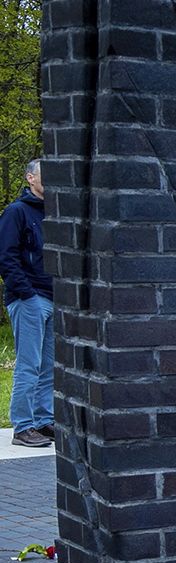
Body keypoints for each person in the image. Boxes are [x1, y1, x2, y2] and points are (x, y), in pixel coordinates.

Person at [0, 158, 51, 447]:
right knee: (29, 365)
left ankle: (43, 422)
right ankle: (22, 427)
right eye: (45, 175)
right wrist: (27, 294)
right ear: (30, 178)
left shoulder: (54, 213)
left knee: (48, 367)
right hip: (29, 299)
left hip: (53, 298)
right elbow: (6, 257)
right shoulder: (16, 212)